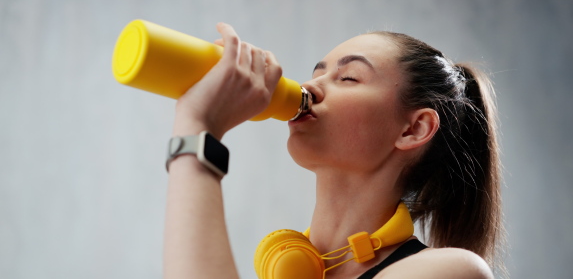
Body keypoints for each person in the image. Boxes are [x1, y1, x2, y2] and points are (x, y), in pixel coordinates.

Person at [163, 23, 504, 279]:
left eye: (348, 77)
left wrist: (196, 127)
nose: (308, 87)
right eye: (316, 74)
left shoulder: (449, 272)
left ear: (413, 129)